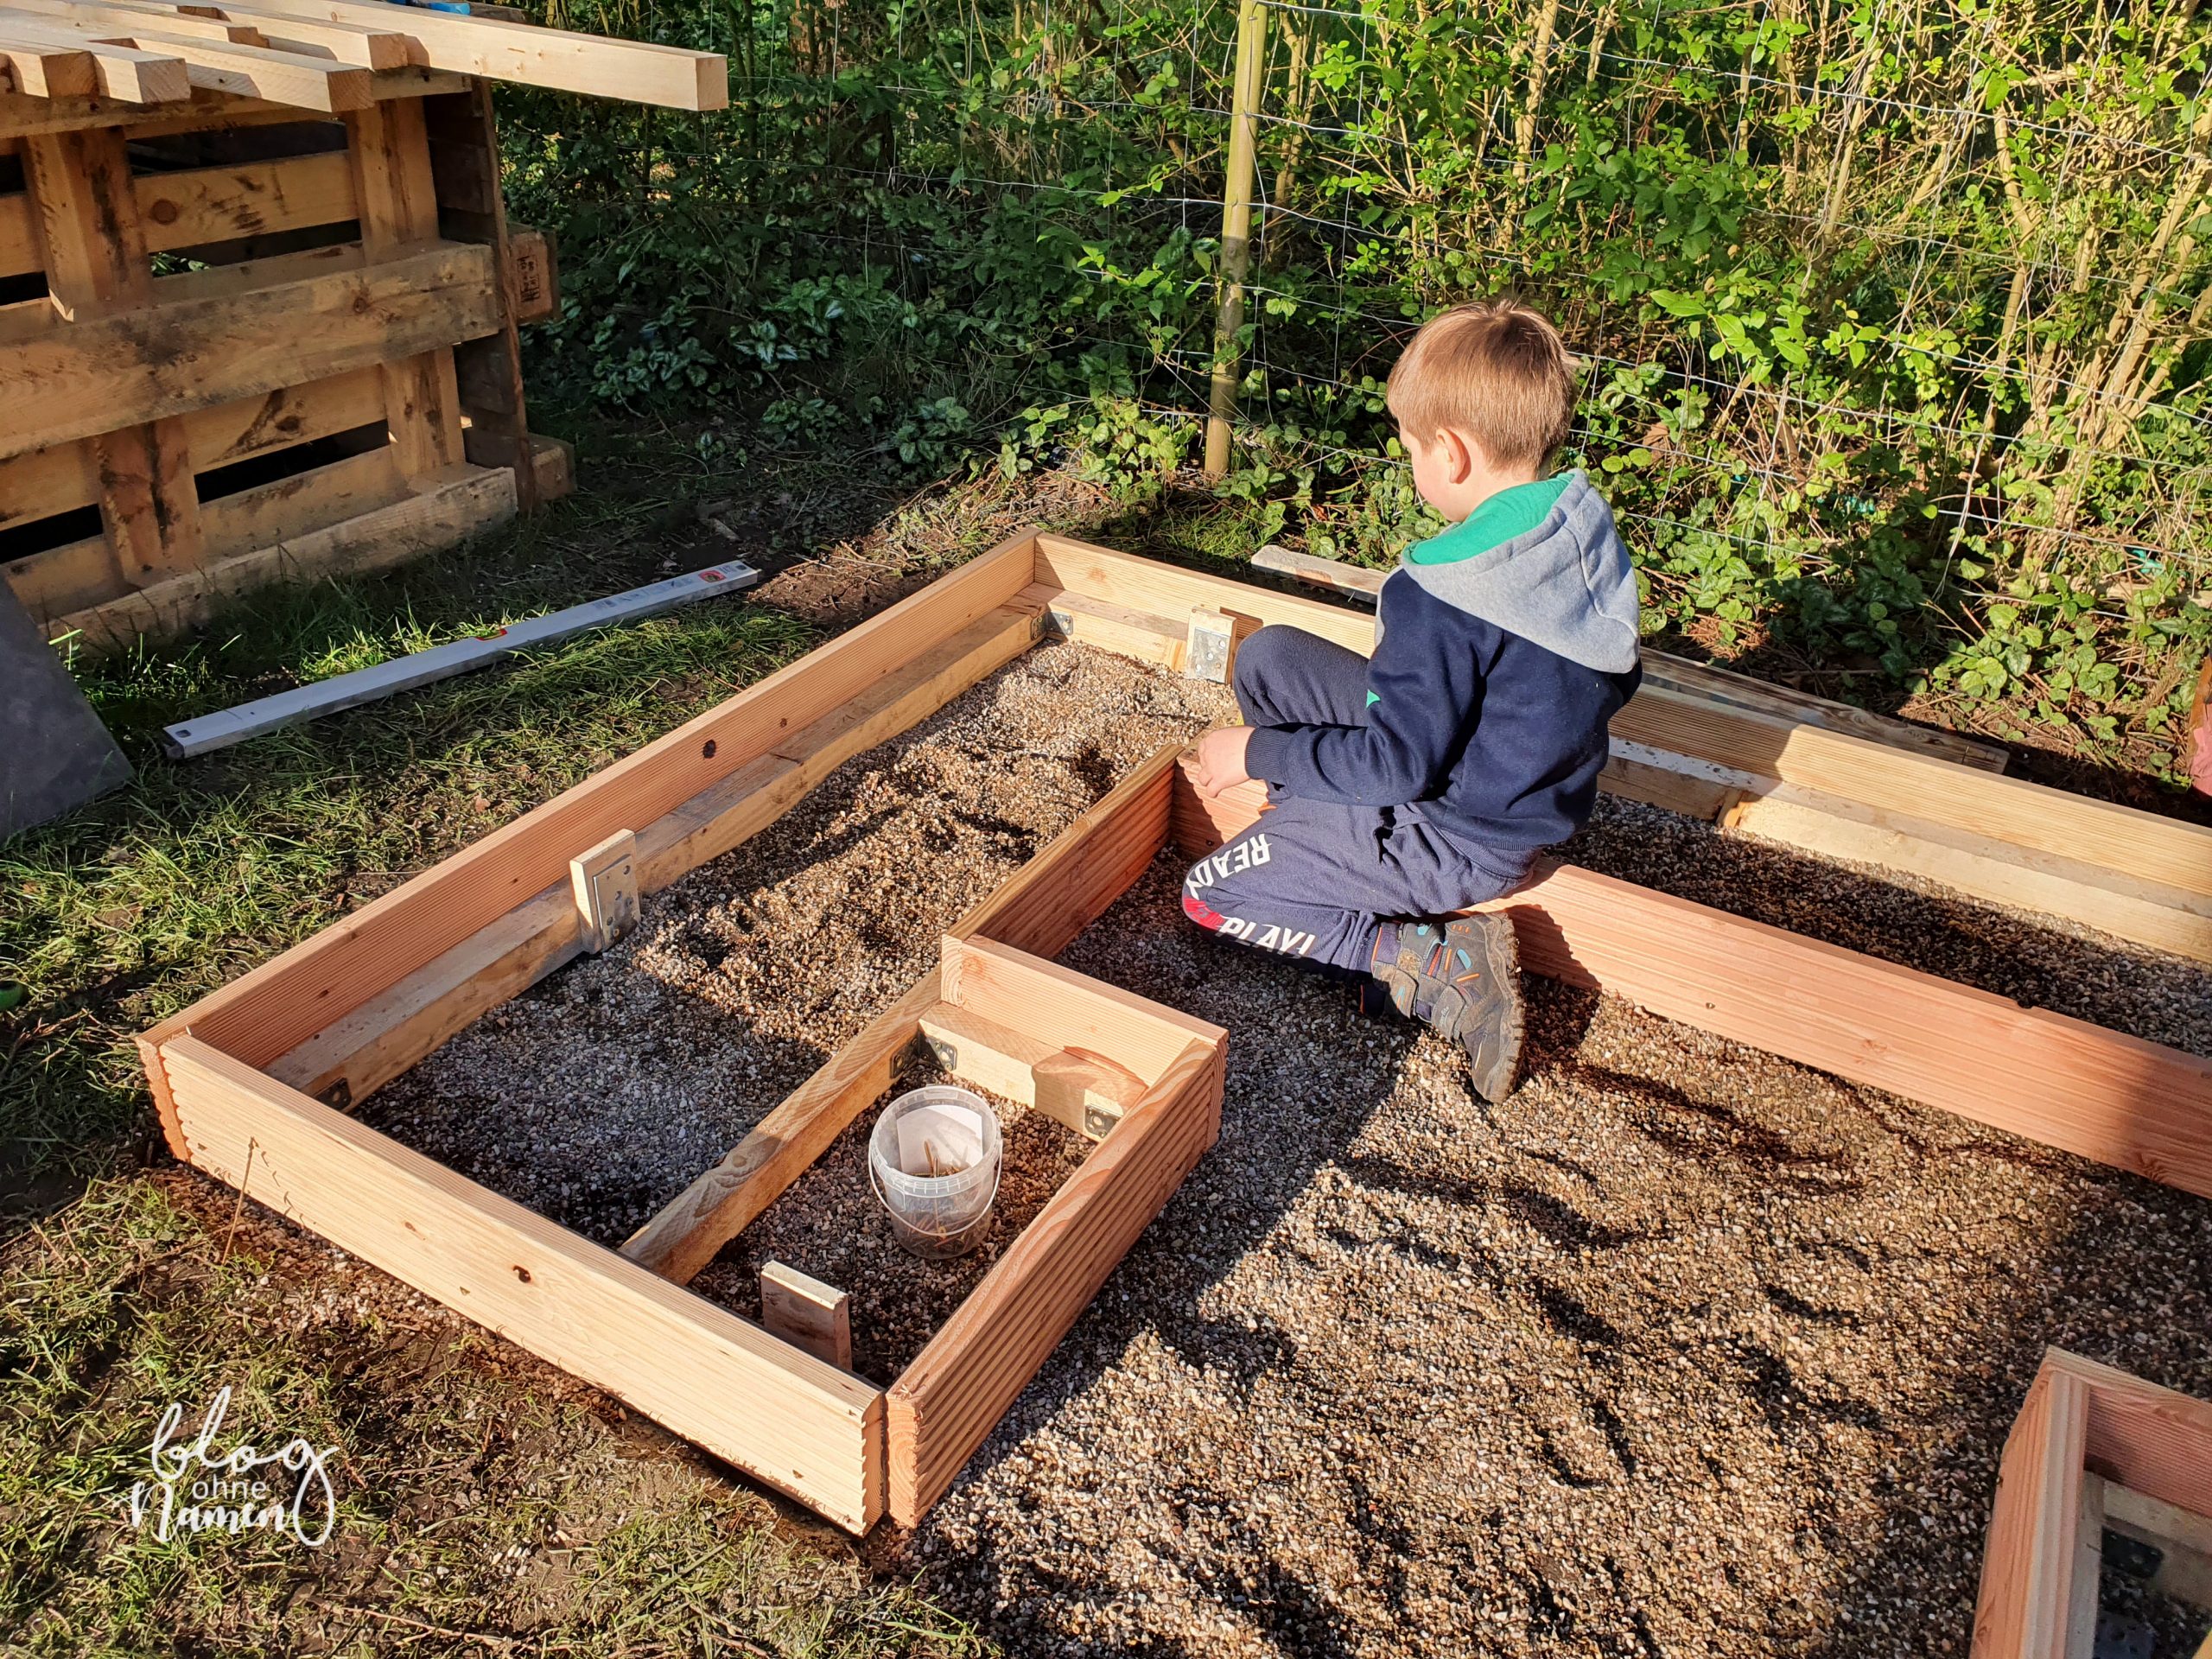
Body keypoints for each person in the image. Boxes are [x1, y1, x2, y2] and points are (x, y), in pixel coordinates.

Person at [1182, 299, 1643, 1101]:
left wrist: (1253, 753)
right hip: (1491, 774)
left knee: (1209, 896)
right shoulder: (1574, 523)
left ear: (1454, 454)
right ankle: (1322, 833)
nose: (1412, 468)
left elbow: (1399, 764)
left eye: (1410, 450)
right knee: (1272, 657)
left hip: (1458, 836)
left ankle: (1429, 960)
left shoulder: (1443, 592)